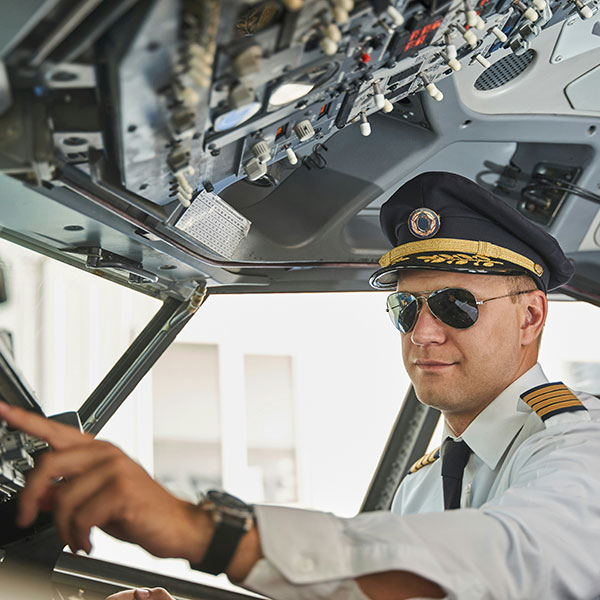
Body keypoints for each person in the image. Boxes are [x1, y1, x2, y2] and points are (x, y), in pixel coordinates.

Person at [1, 171, 599, 600]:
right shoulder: (424, 486)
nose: (423, 332)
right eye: (405, 309)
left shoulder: (577, 445)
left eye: (454, 306)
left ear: (531, 316)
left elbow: (521, 557)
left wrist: (204, 532)